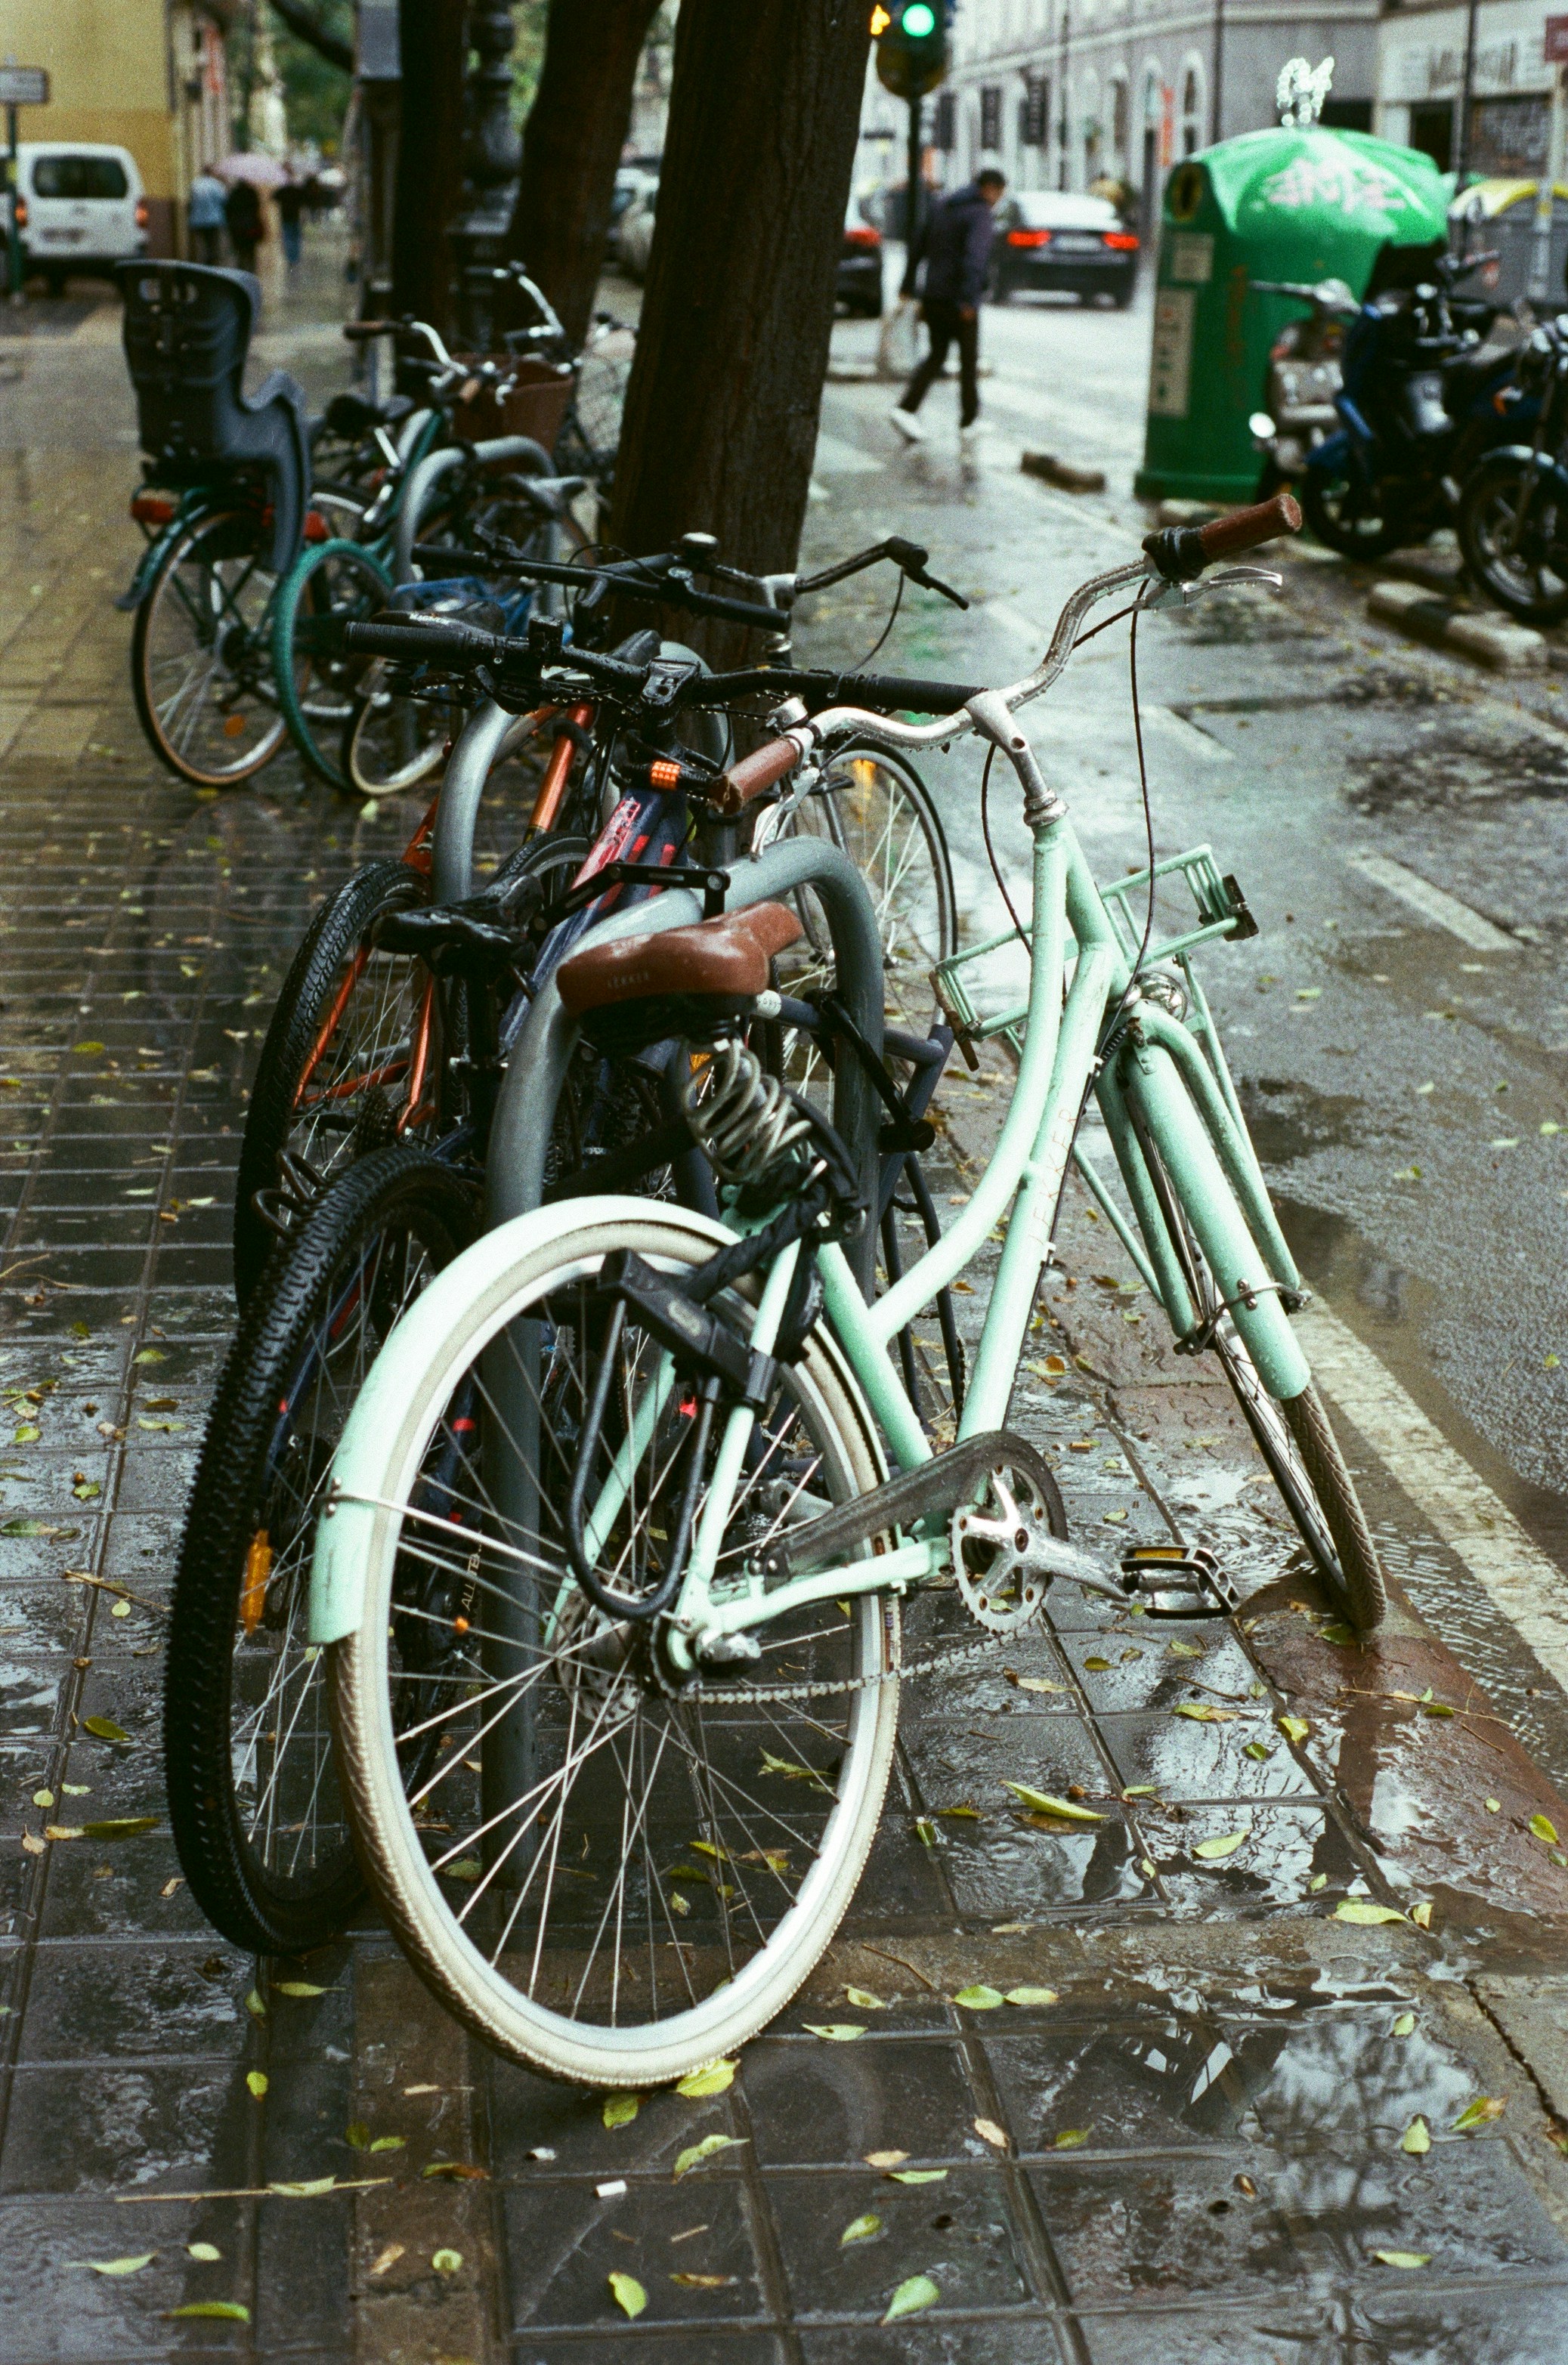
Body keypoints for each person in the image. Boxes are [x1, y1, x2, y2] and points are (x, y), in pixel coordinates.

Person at [891, 168, 1007, 450]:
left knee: (937, 354)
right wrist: (969, 300)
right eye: (999, 194)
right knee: (968, 360)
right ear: (990, 189)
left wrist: (908, 285)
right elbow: (975, 259)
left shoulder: (941, 205)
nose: (998, 200)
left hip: (934, 296)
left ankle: (906, 409)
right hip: (959, 299)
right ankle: (968, 421)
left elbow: (917, 246)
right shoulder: (980, 214)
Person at [224, 177, 264, 277]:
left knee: (240, 250)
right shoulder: (252, 193)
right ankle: (251, 271)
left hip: (237, 227)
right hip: (251, 226)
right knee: (250, 250)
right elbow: (257, 208)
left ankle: (241, 270)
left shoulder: (233, 193)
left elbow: (228, 209)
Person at [187, 167, 227, 267]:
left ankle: (204, 264)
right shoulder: (216, 185)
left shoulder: (195, 184)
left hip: (197, 220)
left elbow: (191, 201)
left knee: (202, 244)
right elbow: (224, 201)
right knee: (213, 244)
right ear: (211, 173)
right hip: (214, 220)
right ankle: (212, 265)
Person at [275, 172, 306, 271]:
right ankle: (295, 258)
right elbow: (304, 200)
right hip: (295, 218)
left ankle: (290, 258)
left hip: (285, 218)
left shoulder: (283, 191)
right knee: (296, 238)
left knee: (288, 238)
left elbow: (274, 197)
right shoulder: (297, 191)